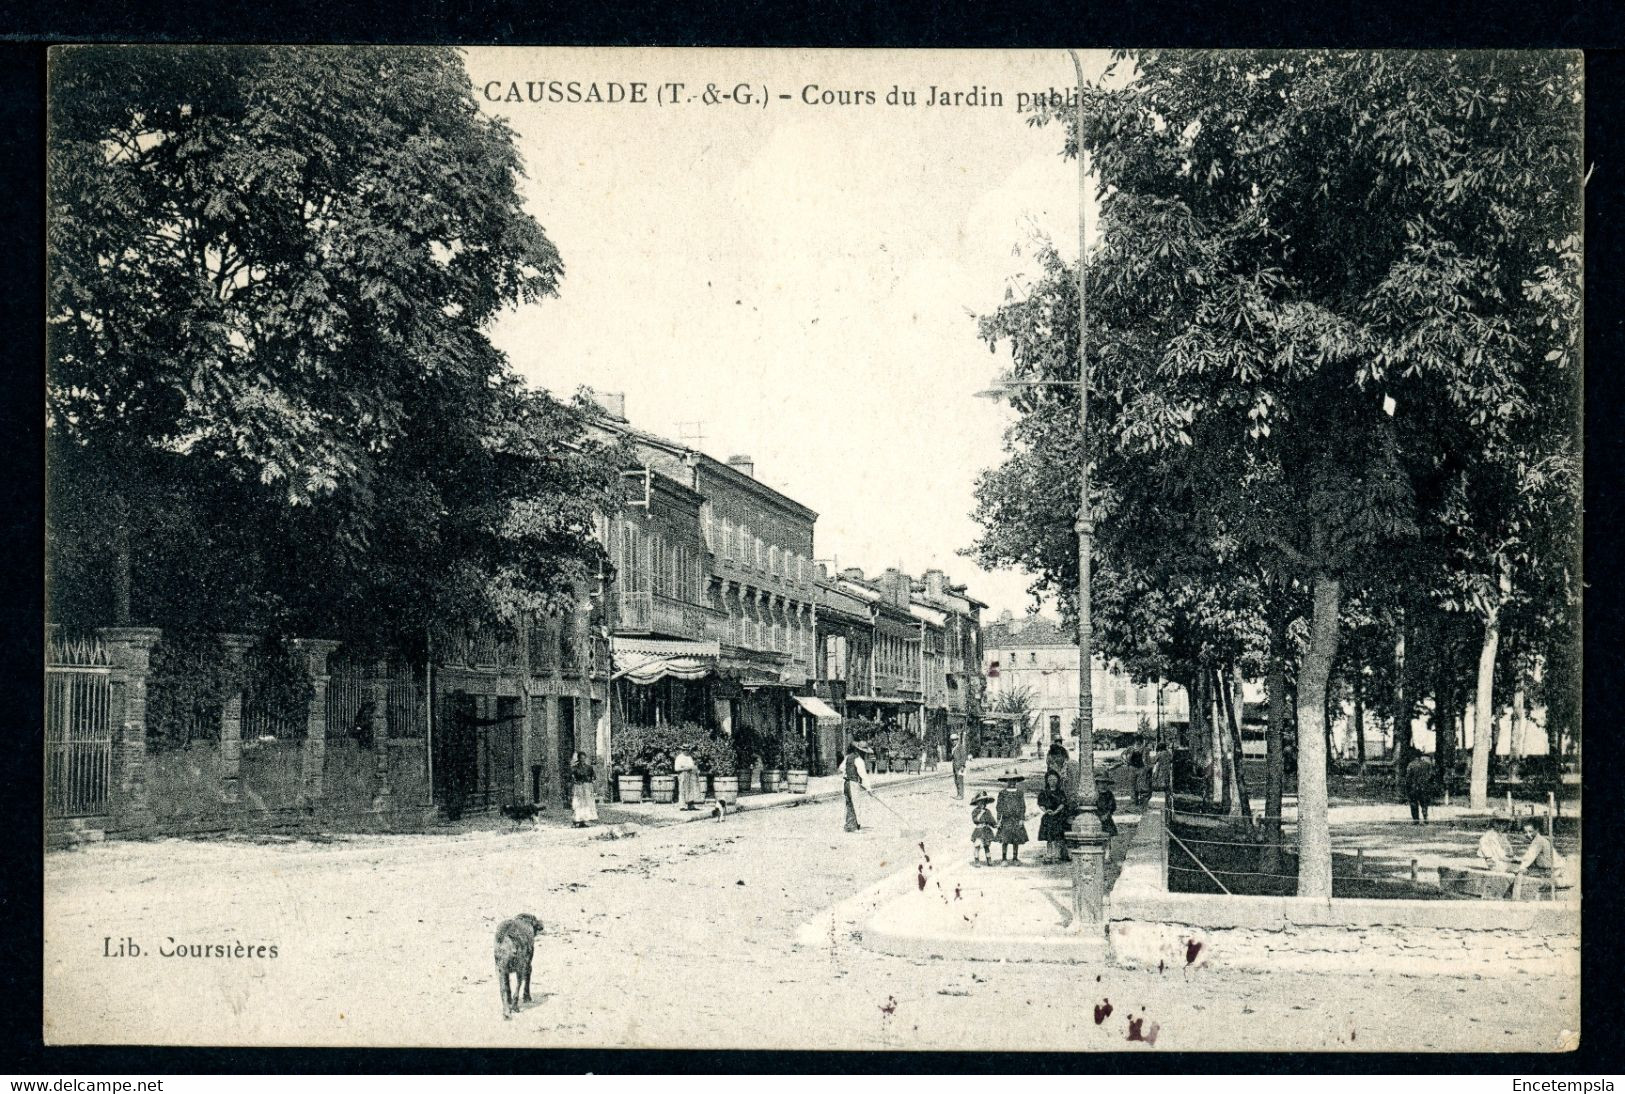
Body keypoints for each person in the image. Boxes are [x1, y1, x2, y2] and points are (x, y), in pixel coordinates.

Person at [1516, 818, 1574, 890]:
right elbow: (1529, 856)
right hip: (1552, 869)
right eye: (1525, 832)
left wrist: (1521, 868)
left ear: (1537, 830)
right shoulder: (1538, 840)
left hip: (1556, 870)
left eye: (1530, 831)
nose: (1527, 834)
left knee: (1525, 878)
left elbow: (1529, 858)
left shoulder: (1538, 841)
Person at [994, 771, 1029, 865]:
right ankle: (1004, 859)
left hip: (1016, 819)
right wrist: (998, 819)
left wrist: (1022, 819)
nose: (1012, 782)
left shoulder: (1019, 793)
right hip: (1006, 819)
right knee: (1004, 839)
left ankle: (1015, 858)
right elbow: (999, 807)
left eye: (1014, 780)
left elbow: (1022, 806)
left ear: (1016, 781)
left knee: (1016, 840)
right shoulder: (1002, 793)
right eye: (1010, 780)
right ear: (1007, 781)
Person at [1037, 769, 1070, 864]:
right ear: (1047, 780)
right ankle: (1049, 854)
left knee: (1057, 837)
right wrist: (1046, 811)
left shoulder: (1060, 792)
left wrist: (1056, 811)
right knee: (1048, 837)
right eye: (1050, 779)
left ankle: (1056, 855)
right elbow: (1041, 804)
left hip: (1058, 817)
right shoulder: (1044, 792)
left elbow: (1063, 803)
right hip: (1048, 816)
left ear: (1057, 780)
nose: (1052, 781)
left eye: (1054, 779)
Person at [842, 740, 871, 832]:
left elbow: (841, 768)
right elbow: (863, 775)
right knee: (855, 804)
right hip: (853, 784)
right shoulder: (859, 760)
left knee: (849, 804)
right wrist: (869, 788)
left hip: (846, 783)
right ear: (861, 751)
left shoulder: (848, 757)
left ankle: (849, 825)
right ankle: (854, 827)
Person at [1404, 752, 1437, 825]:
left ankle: (1416, 820)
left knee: (1414, 803)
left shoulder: (1411, 765)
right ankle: (1425, 818)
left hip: (1414, 787)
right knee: (1424, 803)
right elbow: (1432, 775)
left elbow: (1408, 778)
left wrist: (1407, 787)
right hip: (1424, 787)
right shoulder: (1427, 764)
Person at [569, 750, 598, 827]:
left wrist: (591, 781)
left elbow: (594, 776)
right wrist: (575, 781)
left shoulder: (589, 767)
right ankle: (577, 820)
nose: (582, 760)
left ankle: (584, 820)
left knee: (586, 803)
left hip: (586, 787)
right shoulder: (574, 768)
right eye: (581, 758)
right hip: (578, 787)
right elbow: (571, 777)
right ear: (578, 758)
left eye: (584, 758)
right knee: (578, 803)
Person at [970, 793, 997, 865]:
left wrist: (995, 825)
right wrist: (980, 813)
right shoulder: (975, 811)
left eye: (984, 801)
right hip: (979, 830)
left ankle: (989, 860)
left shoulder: (988, 811)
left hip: (986, 830)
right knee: (977, 845)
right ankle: (976, 860)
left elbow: (992, 820)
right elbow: (975, 820)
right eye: (980, 801)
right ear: (977, 803)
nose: (982, 803)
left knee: (986, 846)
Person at [674, 744, 702, 810]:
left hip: (690, 775)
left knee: (691, 790)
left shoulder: (689, 757)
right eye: (684, 750)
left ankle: (691, 805)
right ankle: (682, 806)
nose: (686, 751)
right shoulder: (679, 758)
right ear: (682, 750)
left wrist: (693, 768)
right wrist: (685, 768)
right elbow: (676, 768)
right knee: (682, 790)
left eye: (687, 750)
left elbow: (692, 766)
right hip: (682, 774)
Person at [950, 733, 966, 799]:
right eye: (952, 740)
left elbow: (963, 756)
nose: (954, 741)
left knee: (960, 780)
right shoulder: (953, 747)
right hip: (955, 766)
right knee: (956, 780)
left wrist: (963, 765)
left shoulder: (960, 747)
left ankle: (961, 795)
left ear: (957, 740)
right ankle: (958, 794)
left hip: (960, 766)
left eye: (955, 740)